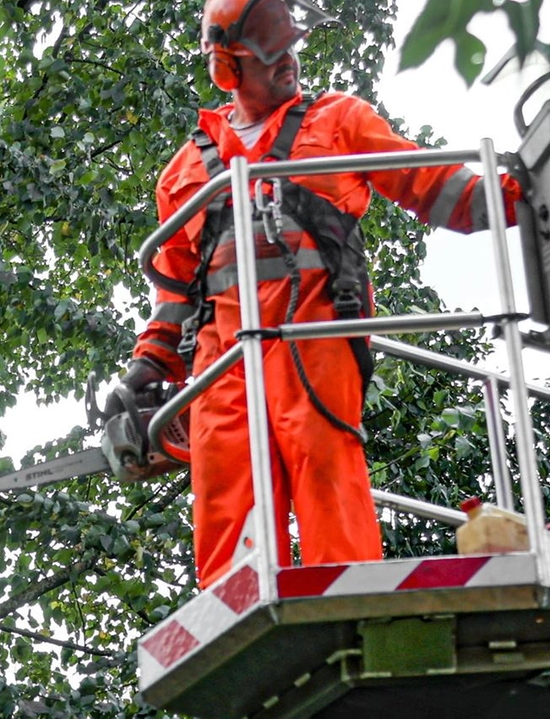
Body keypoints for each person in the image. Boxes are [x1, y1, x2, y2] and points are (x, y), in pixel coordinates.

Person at [115, 0, 521, 588]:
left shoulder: (338, 120)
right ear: (229, 69)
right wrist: (147, 364)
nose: (290, 64)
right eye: (273, 55)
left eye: (291, 49)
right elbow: (177, 291)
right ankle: (237, 612)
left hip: (314, 338)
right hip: (222, 360)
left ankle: (352, 596)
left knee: (326, 467)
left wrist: (526, 193)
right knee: (227, 487)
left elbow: (436, 186)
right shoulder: (184, 173)